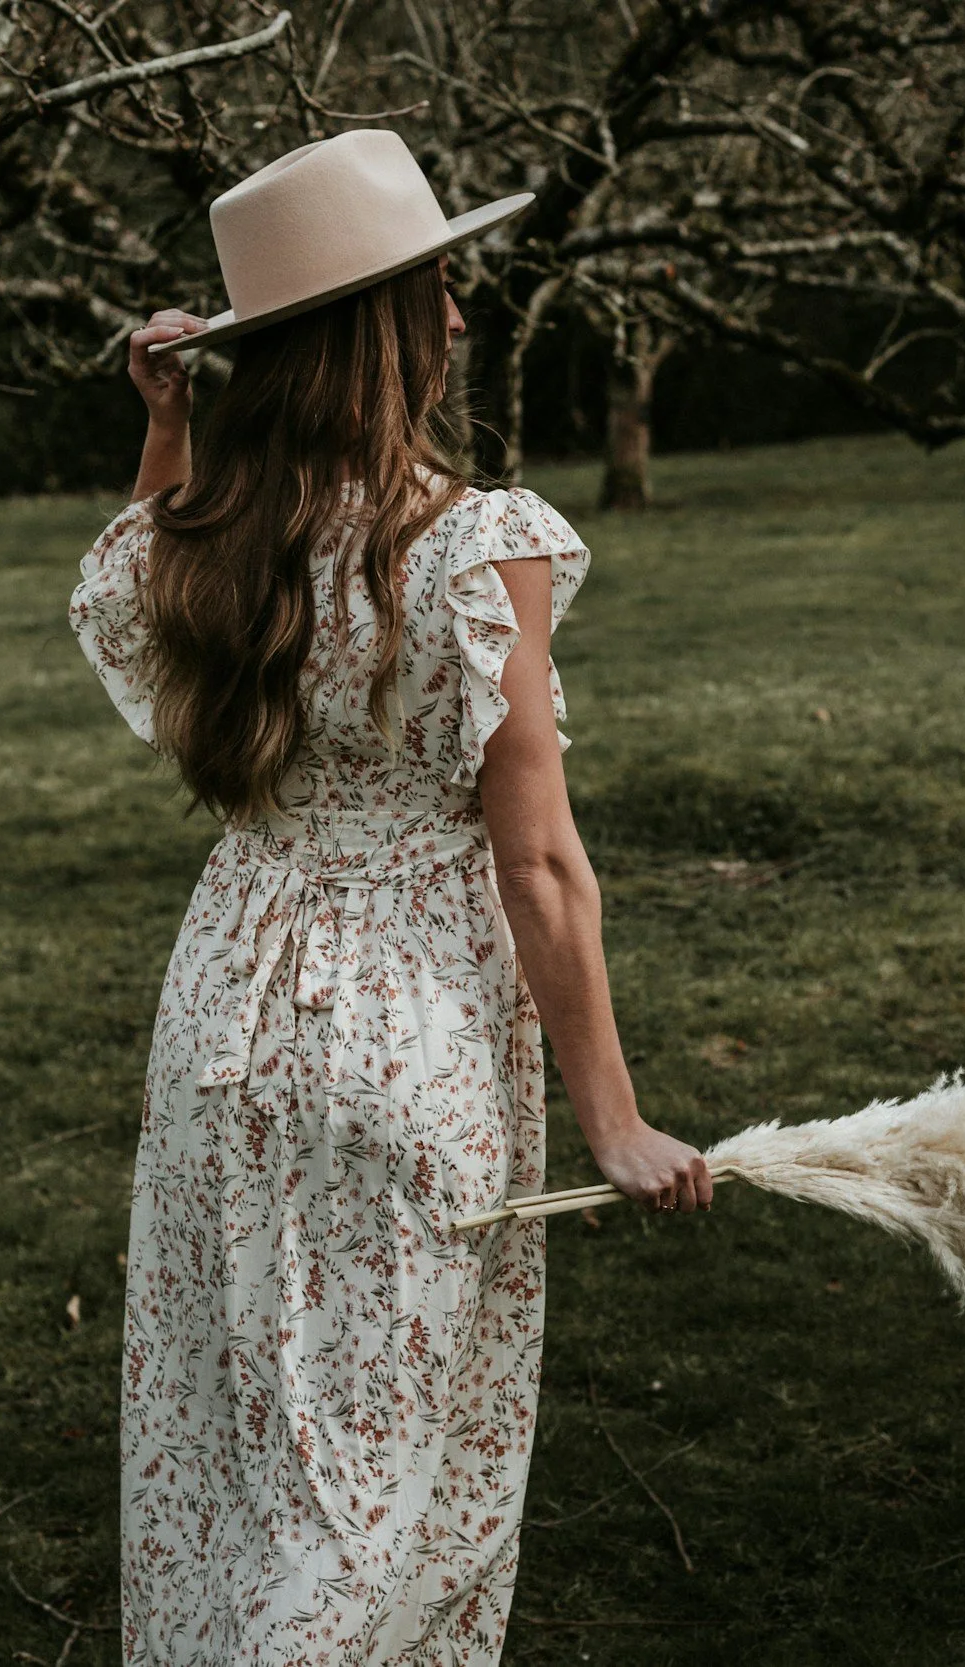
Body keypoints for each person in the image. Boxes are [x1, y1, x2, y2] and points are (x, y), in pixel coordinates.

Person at [69, 130, 712, 1667]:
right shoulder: (475, 547)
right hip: (404, 1032)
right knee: (377, 1493)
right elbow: (537, 859)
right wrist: (616, 1119)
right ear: (381, 331)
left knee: (231, 1455)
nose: (462, 317)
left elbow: (131, 603)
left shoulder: (213, 536)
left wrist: (167, 425)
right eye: (438, 291)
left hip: (225, 1013)